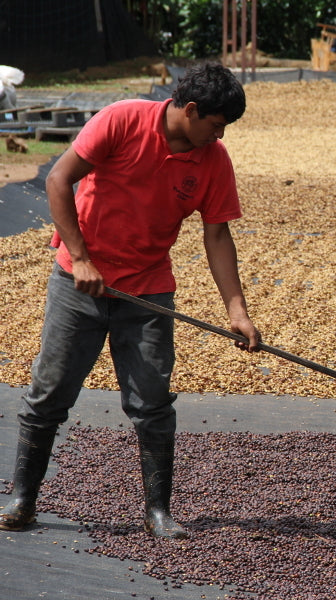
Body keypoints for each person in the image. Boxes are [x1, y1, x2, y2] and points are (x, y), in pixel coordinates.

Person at [0, 62, 262, 539]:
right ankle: (23, 498)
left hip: (148, 290)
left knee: (152, 401)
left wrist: (237, 311)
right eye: (217, 125)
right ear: (190, 110)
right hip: (79, 284)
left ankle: (157, 511)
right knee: (49, 393)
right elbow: (59, 181)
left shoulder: (213, 160)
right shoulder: (122, 120)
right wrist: (80, 258)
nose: (220, 136)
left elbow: (217, 234)